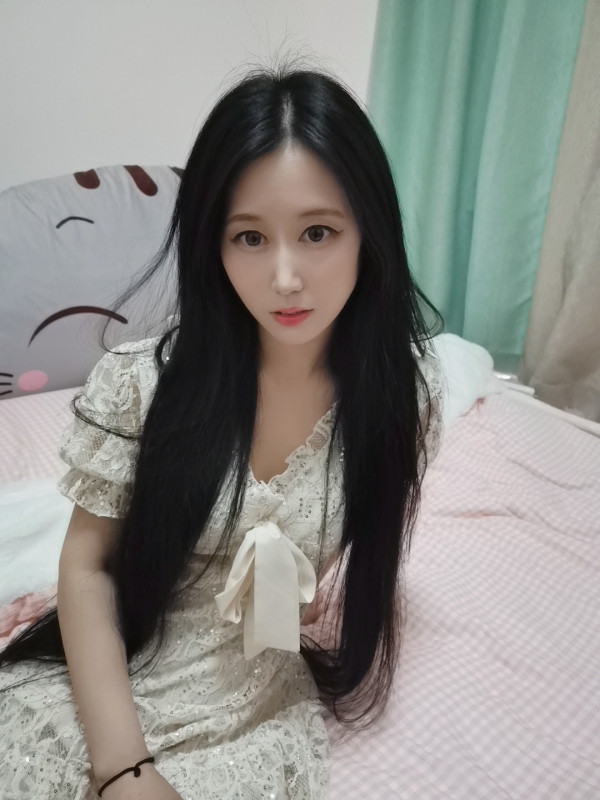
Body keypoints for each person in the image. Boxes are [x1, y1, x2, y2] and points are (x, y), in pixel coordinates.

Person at [0, 67, 443, 799]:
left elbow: (322, 570)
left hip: (255, 698)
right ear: (214, 244)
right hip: (120, 666)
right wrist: (123, 768)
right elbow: (86, 567)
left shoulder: (402, 400)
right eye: (249, 237)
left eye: (318, 232)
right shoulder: (141, 387)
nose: (285, 277)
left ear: (370, 232)